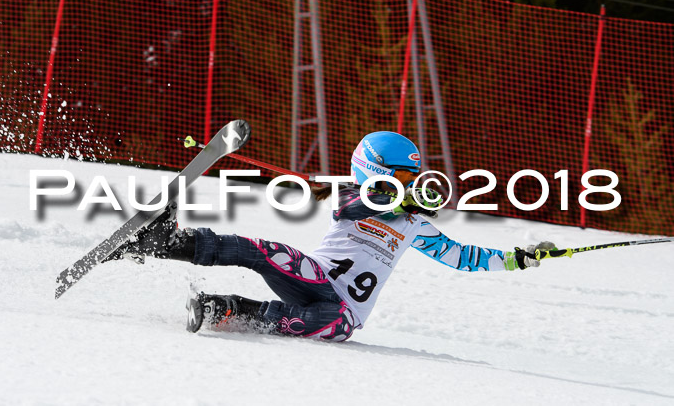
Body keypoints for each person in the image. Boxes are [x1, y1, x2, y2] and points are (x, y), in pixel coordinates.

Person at [106, 131, 549, 342]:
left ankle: (223, 309)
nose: (413, 186)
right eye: (403, 177)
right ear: (377, 174)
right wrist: (397, 201)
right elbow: (349, 208)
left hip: (342, 313)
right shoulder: (357, 197)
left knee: (331, 325)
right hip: (314, 278)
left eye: (414, 179)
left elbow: (460, 256)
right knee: (266, 251)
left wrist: (515, 259)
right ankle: (171, 242)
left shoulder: (414, 224)